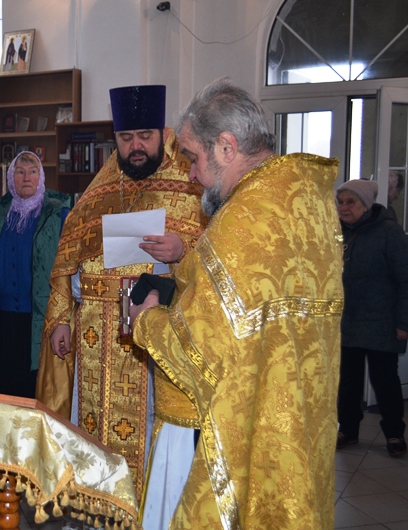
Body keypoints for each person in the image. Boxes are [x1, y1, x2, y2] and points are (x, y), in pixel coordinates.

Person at [130, 77, 343, 528]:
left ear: (226, 147)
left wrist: (145, 320)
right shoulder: (305, 203)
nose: (191, 174)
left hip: (244, 426)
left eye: (193, 157)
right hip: (299, 414)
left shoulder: (241, 220)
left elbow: (199, 352)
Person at [36, 85, 208, 504]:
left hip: (151, 341)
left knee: (147, 433)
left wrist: (181, 251)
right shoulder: (98, 192)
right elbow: (66, 262)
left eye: (145, 136)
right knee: (90, 432)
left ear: (162, 134)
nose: (136, 147)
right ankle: (96, 511)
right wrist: (61, 320)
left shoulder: (192, 189)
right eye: (126, 138)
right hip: (94, 339)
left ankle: (145, 513)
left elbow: (217, 262)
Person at [0, 151, 69, 398]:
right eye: (20, 172)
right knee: (5, 388)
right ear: (10, 178)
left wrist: (65, 317)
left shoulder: (57, 214)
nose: (26, 178)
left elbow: (68, 267)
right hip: (3, 320)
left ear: (41, 177)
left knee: (35, 387)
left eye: (33, 172)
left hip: (41, 318)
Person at [335, 178, 407, 458]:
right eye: (340, 202)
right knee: (348, 383)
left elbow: (405, 280)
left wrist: (403, 322)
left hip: (382, 323)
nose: (343, 207)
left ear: (366, 205)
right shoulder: (336, 232)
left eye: (350, 202)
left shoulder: (389, 232)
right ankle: (348, 430)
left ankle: (394, 434)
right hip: (347, 322)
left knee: (385, 382)